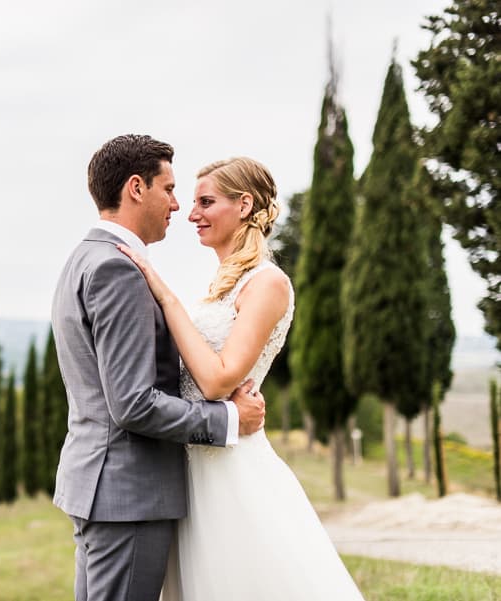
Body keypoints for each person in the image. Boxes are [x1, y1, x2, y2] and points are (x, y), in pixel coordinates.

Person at [118, 156, 364, 601]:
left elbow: (217, 381)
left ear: (245, 204)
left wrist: (164, 296)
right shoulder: (221, 283)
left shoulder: (268, 283)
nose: (191, 214)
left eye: (205, 202)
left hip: (230, 470)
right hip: (191, 464)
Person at [50, 134, 266, 601]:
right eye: (167, 189)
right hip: (128, 493)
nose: (176, 205)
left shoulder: (83, 258)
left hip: (100, 486)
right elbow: (131, 404)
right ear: (135, 188)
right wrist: (230, 418)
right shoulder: (117, 269)